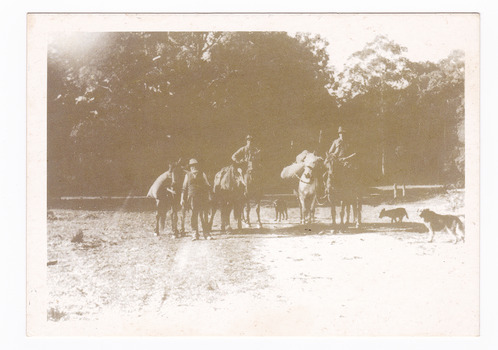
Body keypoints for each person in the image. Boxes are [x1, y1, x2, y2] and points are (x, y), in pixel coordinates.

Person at [180, 158, 212, 241]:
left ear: (197, 166)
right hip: (192, 198)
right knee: (193, 216)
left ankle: (206, 233)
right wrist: (181, 199)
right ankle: (194, 234)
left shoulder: (202, 174)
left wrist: (209, 196)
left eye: (195, 165)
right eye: (191, 166)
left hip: (202, 198)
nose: (193, 167)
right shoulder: (188, 175)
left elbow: (208, 185)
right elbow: (183, 188)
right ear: (190, 167)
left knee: (203, 216)